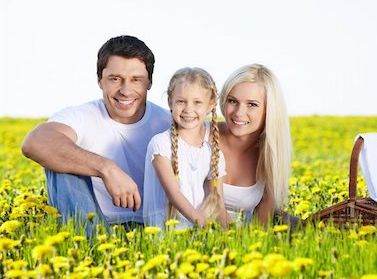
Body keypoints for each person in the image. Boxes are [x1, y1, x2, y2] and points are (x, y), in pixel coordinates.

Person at [21, 35, 172, 233]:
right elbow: (35, 143)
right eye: (115, 79)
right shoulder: (83, 115)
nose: (125, 91)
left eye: (136, 80)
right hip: (98, 225)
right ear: (100, 81)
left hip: (156, 228)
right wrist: (106, 168)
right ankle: (90, 253)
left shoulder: (168, 123)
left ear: (149, 82)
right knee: (59, 159)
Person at [143, 67, 227, 229]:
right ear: (170, 102)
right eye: (181, 101)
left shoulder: (213, 153)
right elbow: (174, 194)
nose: (188, 109)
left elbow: (217, 202)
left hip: (197, 232)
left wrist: (233, 235)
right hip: (164, 232)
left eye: (197, 102)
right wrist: (204, 225)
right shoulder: (160, 144)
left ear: (210, 104)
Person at [219, 63, 298, 227]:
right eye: (233, 101)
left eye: (252, 104)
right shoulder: (201, 137)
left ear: (269, 110)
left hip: (235, 245)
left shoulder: (271, 155)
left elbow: (259, 228)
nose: (239, 113)